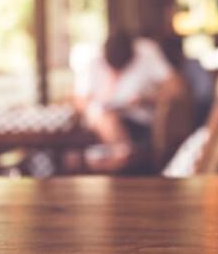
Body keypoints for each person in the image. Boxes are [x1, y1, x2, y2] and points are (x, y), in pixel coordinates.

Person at [74, 32, 172, 173]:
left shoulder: (146, 53)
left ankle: (119, 157)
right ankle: (122, 153)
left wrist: (146, 99)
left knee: (107, 119)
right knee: (103, 115)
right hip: (101, 121)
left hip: (138, 121)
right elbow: (80, 99)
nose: (117, 74)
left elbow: (176, 88)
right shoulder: (93, 62)